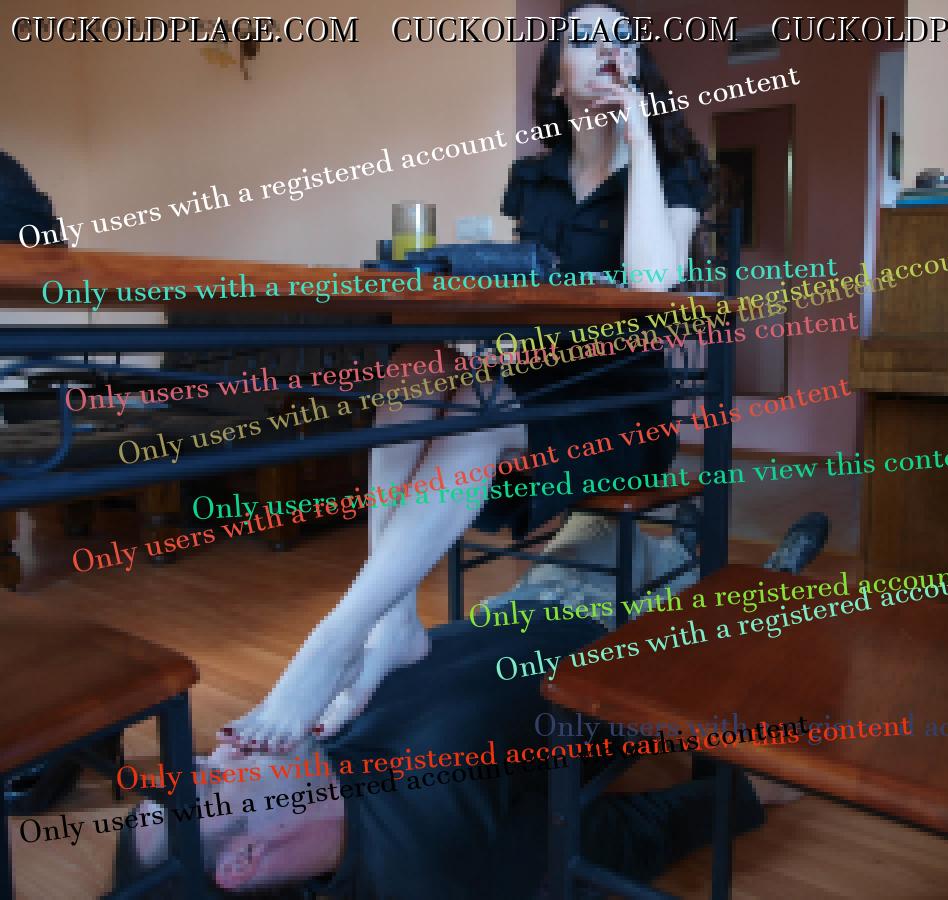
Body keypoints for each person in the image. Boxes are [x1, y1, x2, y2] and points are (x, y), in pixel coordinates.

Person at [222, 1, 713, 755]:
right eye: (586, 39)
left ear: (639, 67)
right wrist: (487, 337)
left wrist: (639, 137)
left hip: (620, 406)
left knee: (474, 421)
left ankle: (338, 639)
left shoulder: (670, 168)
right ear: (557, 80)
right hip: (535, 381)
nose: (608, 50)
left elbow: (651, 283)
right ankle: (393, 623)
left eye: (623, 39)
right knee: (416, 365)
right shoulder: (535, 178)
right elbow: (532, 294)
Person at [115, 610, 766, 898]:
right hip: (624, 645)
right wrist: (745, 792)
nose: (211, 756)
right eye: (204, 788)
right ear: (243, 860)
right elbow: (612, 842)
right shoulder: (435, 861)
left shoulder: (300, 755)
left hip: (511, 610)